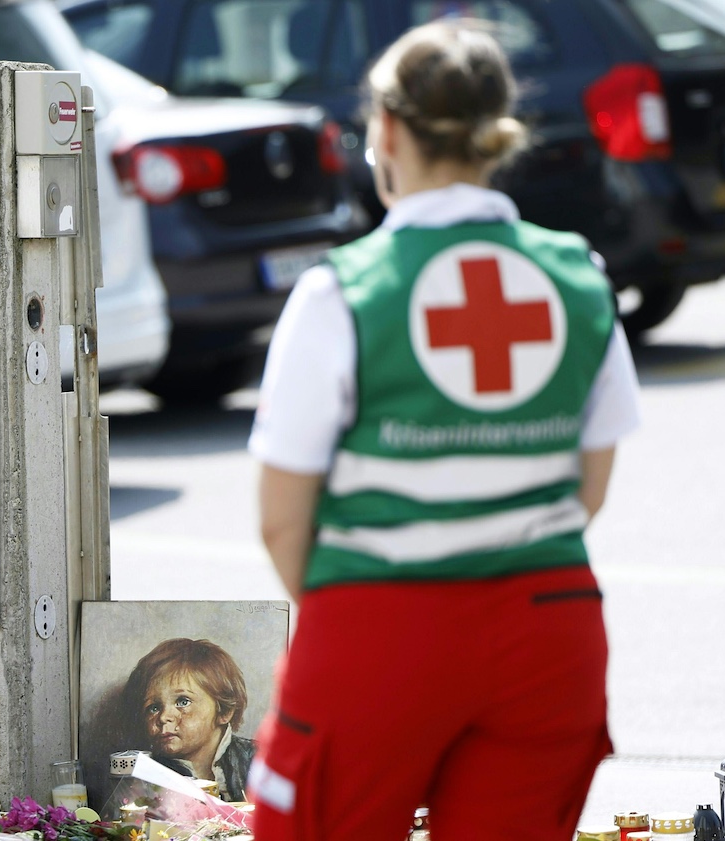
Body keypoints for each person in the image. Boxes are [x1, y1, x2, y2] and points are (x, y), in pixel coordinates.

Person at [246, 20, 641, 841]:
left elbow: (283, 520)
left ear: (387, 131)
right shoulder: (579, 276)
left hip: (378, 629)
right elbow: (590, 487)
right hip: (549, 630)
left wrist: (378, 628)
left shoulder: (341, 292)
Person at [119, 638, 256, 801]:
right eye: (154, 707)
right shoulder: (146, 774)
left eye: (183, 702)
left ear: (224, 711)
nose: (163, 717)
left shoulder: (259, 760)